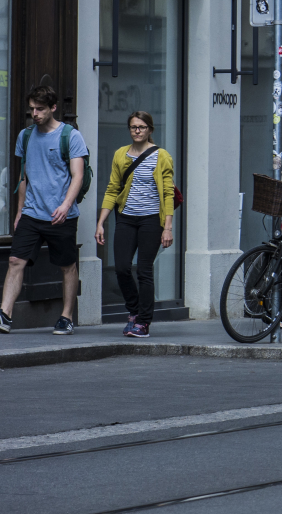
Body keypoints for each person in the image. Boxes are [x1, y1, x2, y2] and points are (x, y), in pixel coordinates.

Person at [1, 82, 88, 334]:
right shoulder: (25, 136)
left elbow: (78, 176)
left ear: (53, 107)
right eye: (32, 109)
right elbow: (24, 177)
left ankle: (66, 317)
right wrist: (19, 212)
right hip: (31, 213)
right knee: (16, 260)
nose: (35, 114)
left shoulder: (70, 136)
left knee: (67, 266)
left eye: (40, 109)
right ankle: (4, 314)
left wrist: (65, 205)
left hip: (62, 214)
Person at [98, 111, 175, 338]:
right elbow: (112, 189)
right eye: (133, 127)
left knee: (144, 270)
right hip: (126, 218)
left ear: (150, 129)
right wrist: (101, 222)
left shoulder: (162, 156)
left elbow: (168, 193)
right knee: (121, 268)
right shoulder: (120, 155)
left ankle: (143, 322)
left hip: (151, 219)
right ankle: (133, 310)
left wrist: (167, 227)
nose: (137, 131)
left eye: (142, 127)